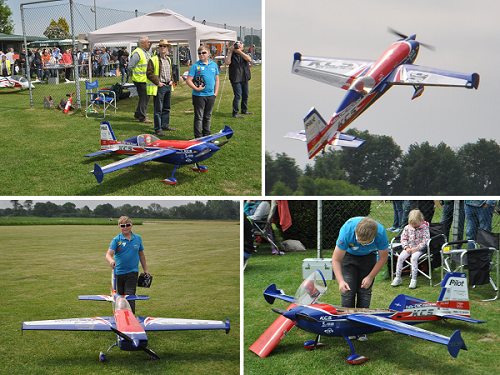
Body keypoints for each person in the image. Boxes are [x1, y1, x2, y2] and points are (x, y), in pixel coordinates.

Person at [332, 217, 389, 340]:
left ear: (374, 237)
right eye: (359, 241)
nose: (362, 244)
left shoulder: (381, 233)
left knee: (364, 291)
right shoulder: (347, 231)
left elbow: (383, 258)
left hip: (369, 257)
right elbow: (336, 259)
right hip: (348, 256)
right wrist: (341, 281)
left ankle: (362, 327)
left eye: (366, 243)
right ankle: (348, 327)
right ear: (355, 233)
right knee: (348, 292)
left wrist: (370, 276)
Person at [105, 216, 150, 313]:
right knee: (120, 298)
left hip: (132, 272)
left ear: (131, 225)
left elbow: (141, 254)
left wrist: (145, 269)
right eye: (122, 226)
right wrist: (111, 261)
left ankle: (131, 318)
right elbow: (108, 254)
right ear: (119, 227)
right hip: (119, 273)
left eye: (128, 225)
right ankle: (120, 317)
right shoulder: (117, 240)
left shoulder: (137, 238)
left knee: (130, 296)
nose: (125, 227)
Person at [391, 210, 430, 289]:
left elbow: (426, 240)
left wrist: (417, 248)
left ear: (420, 220)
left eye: (415, 223)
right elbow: (403, 238)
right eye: (412, 223)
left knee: (414, 258)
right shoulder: (407, 228)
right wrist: (406, 247)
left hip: (419, 249)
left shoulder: (425, 228)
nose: (413, 225)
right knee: (401, 257)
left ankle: (413, 279)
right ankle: (398, 277)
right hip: (409, 248)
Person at [186, 45, 219, 138]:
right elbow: (188, 80)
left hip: (211, 95)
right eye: (199, 53)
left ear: (208, 54)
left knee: (208, 116)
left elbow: (217, 79)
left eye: (204, 53)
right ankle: (198, 137)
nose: (201, 55)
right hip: (199, 95)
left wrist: (215, 93)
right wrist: (196, 89)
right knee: (199, 117)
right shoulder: (195, 66)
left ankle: (207, 135)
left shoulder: (214, 65)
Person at [146, 39, 176, 136]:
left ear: (167, 48)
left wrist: (172, 80)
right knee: (158, 109)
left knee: (167, 108)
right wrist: (158, 82)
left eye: (165, 46)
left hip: (168, 85)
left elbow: (170, 72)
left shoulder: (168, 59)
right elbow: (149, 73)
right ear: (158, 48)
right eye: (161, 46)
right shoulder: (153, 59)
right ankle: (158, 128)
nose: (163, 48)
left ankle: (165, 125)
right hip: (160, 86)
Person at [225, 41, 253, 118]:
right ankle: (235, 113)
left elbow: (249, 59)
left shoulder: (244, 54)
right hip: (235, 79)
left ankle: (244, 110)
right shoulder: (232, 55)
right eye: (237, 47)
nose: (238, 48)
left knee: (245, 95)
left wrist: (240, 52)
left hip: (244, 78)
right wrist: (231, 52)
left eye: (240, 47)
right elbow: (227, 62)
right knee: (238, 95)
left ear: (242, 48)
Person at [129, 36, 153, 124]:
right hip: (140, 79)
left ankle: (137, 114)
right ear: (142, 43)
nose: (149, 43)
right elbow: (130, 66)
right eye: (147, 42)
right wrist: (134, 74)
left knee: (145, 97)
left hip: (145, 79)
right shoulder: (137, 53)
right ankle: (142, 117)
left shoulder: (145, 52)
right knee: (144, 98)